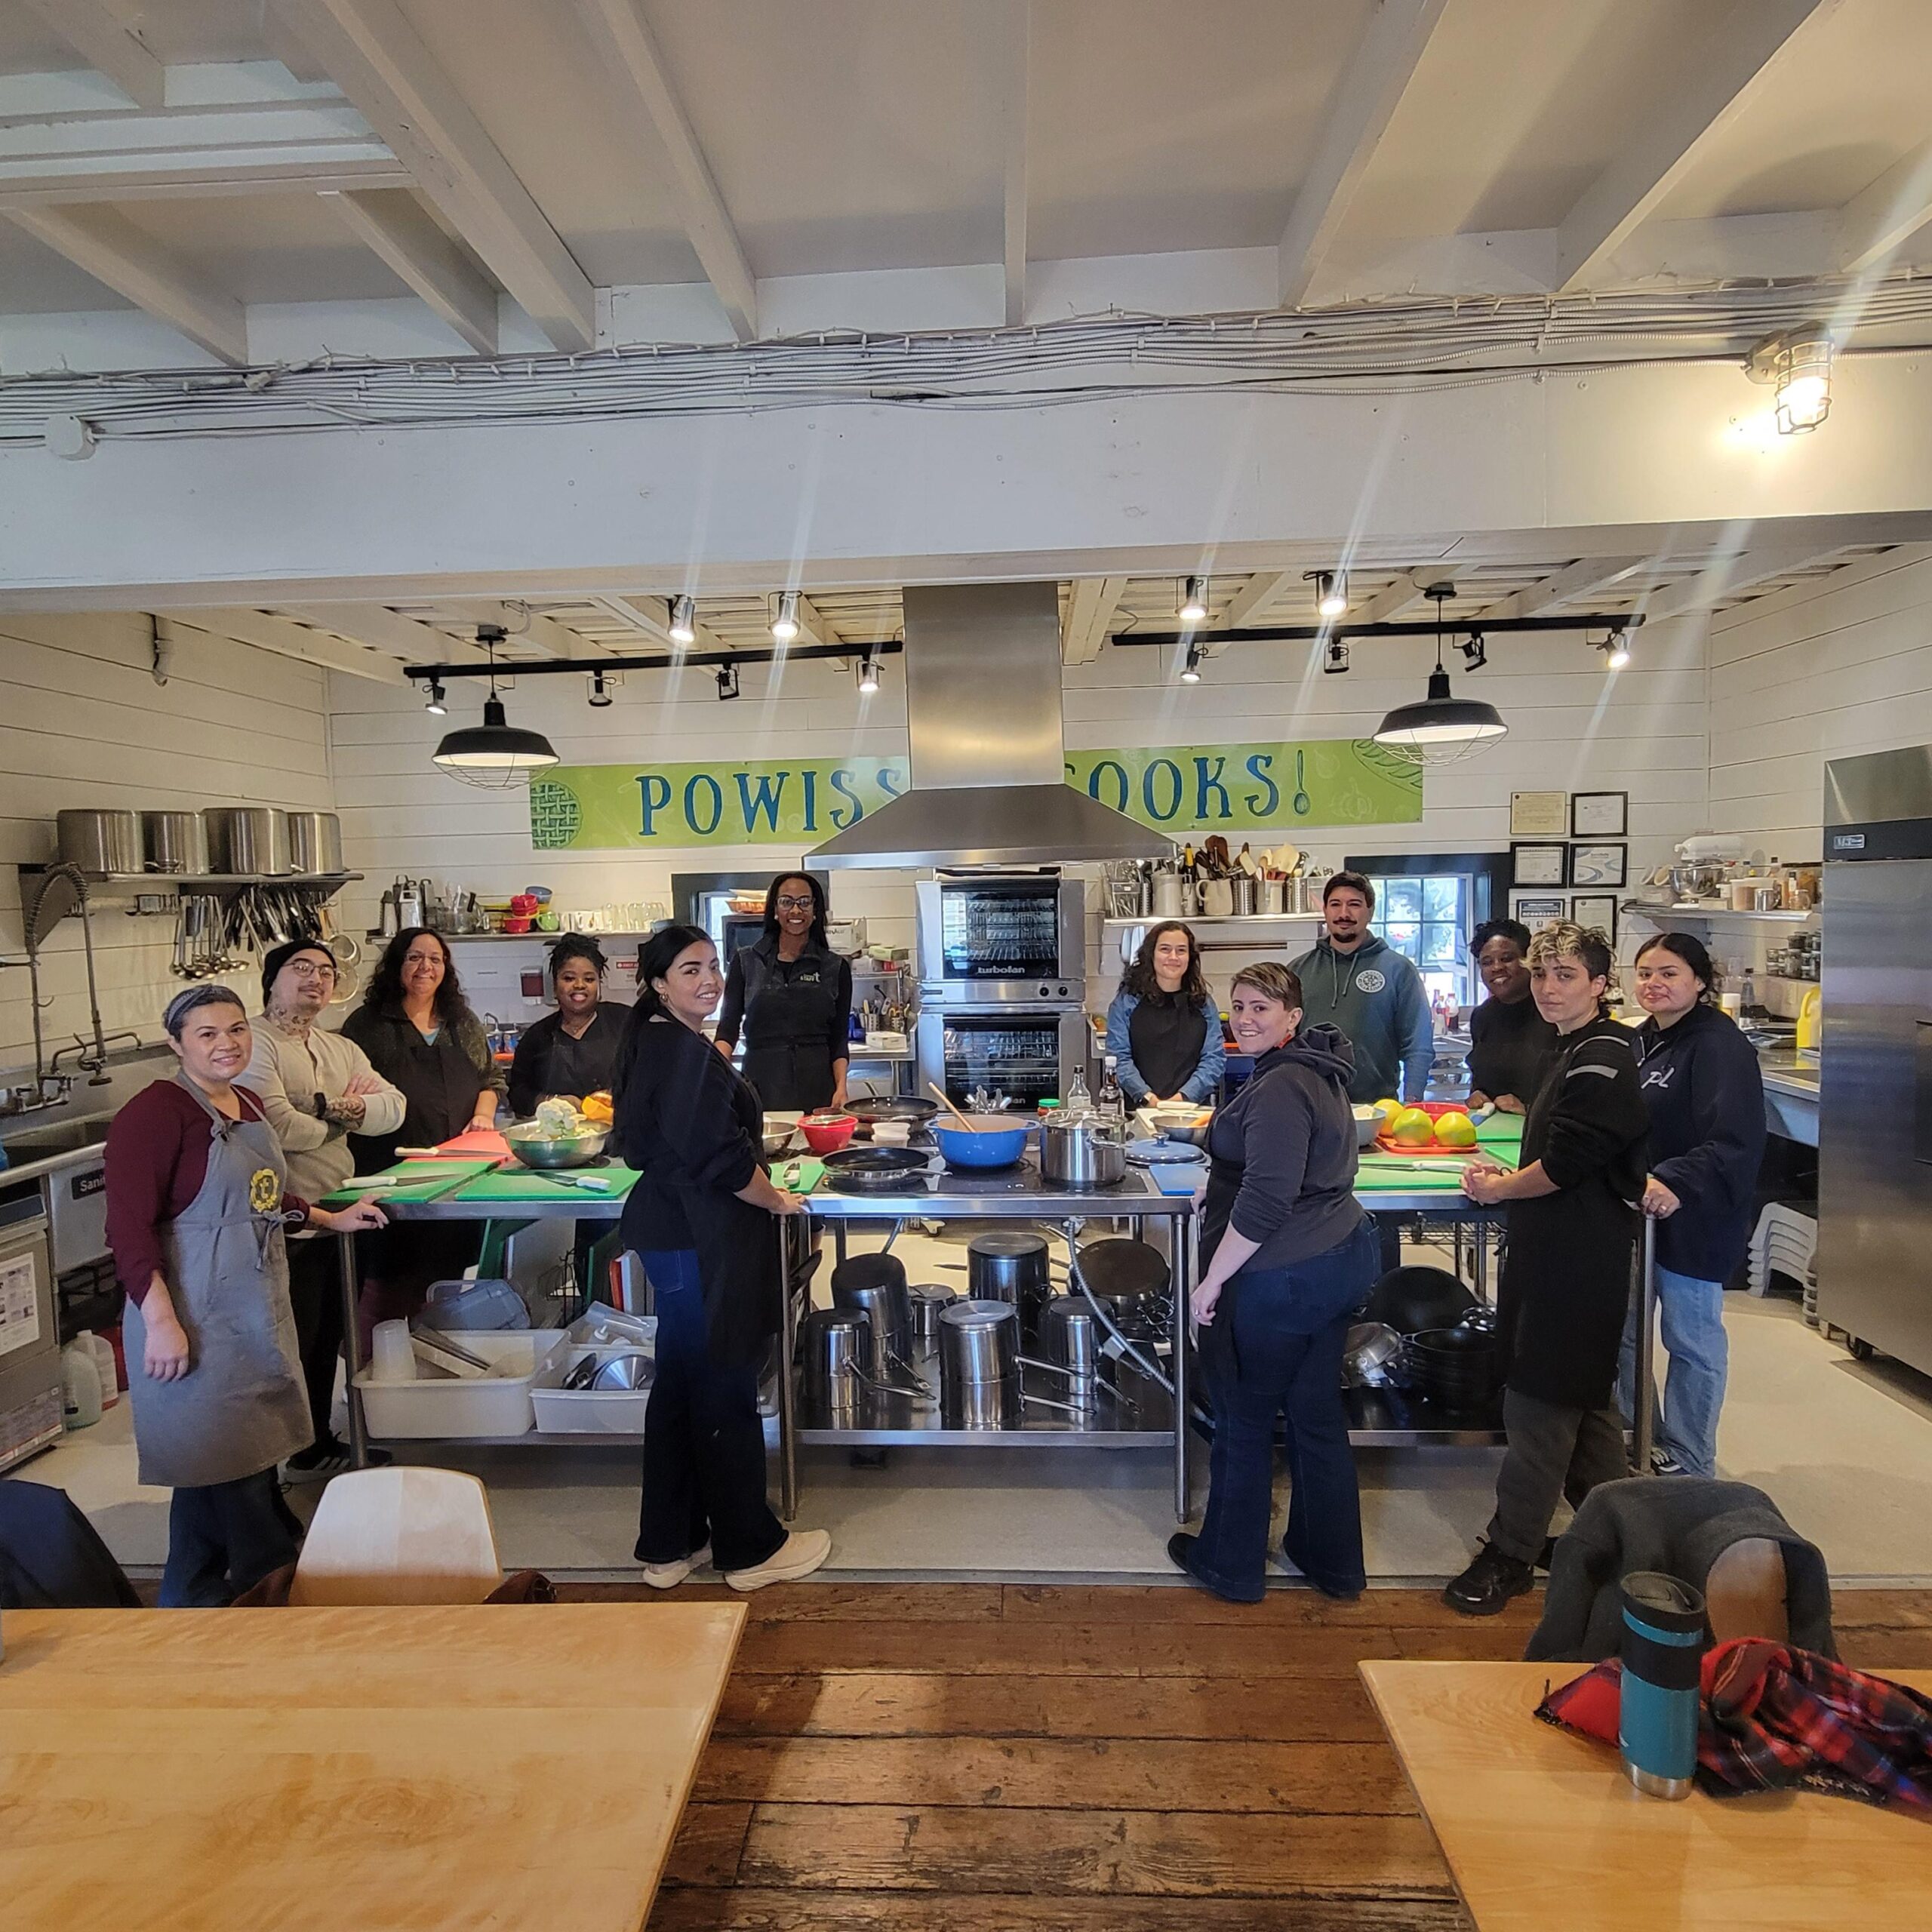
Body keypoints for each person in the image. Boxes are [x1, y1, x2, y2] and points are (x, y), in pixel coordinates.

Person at [105, 986, 386, 1606]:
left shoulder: (248, 1104)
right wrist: (161, 1322)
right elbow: (127, 1229)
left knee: (229, 1463)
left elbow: (260, 1195)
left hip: (253, 1302)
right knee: (225, 1461)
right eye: (207, 1034)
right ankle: (276, 1586)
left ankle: (191, 1599)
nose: (226, 1043)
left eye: (236, 1029)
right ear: (176, 1044)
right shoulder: (155, 1114)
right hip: (193, 1310)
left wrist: (322, 1215)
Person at [614, 924, 832, 1592]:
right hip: (699, 1234)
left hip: (674, 1231)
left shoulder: (658, 1039)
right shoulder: (678, 1051)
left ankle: (671, 1545)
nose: (707, 979)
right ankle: (747, 1549)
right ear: (658, 983)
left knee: (681, 1385)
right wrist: (775, 1202)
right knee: (723, 1384)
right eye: (689, 970)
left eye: (712, 966)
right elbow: (721, 1158)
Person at [1446, 923, 1649, 1616]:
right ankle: (1623, 1543)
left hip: (1577, 1253)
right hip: (1557, 1244)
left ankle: (1511, 1552)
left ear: (1600, 983)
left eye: (1565, 974)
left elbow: (1569, 1163)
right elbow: (1556, 1147)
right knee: (1588, 1404)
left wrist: (1502, 1188)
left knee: (1536, 1403)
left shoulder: (1603, 1053)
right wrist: (1511, 1175)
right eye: (1541, 975)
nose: (1548, 987)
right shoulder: (1571, 1045)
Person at [1171, 962, 1380, 1603]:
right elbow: (1285, 1165)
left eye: (1261, 1007)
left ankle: (1230, 1565)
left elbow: (1266, 1201)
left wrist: (1211, 1281)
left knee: (1244, 1416)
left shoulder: (1283, 1085)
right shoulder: (1316, 1069)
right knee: (1316, 1414)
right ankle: (1329, 1561)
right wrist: (1222, 1180)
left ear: (1292, 1016)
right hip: (1336, 1259)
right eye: (1237, 1005)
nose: (1246, 1017)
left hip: (1283, 1275)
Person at [238, 938, 405, 1479]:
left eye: (326, 972)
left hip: (340, 1213)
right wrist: (346, 1115)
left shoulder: (340, 1049)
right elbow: (276, 1126)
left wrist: (328, 1109)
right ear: (272, 980)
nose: (316, 979)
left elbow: (393, 1110)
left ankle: (313, 1443)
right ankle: (271, 1457)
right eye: (301, 968)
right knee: (288, 1342)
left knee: (329, 1334)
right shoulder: (254, 1043)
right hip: (282, 1220)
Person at [1619, 932, 1767, 1478]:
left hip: (1697, 1215)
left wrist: (1674, 1180)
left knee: (1691, 1339)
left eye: (1669, 973)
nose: (1654, 984)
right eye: (1646, 973)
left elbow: (1735, 1139)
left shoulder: (1720, 1046)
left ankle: (1689, 1457)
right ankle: (1642, 1438)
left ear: (1700, 982)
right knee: (1627, 1334)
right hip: (1640, 1212)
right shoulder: (1642, 1040)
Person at [341, 927, 506, 1338]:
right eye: (414, 957)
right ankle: (379, 1372)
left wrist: (483, 1118)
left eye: (435, 959)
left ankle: (439, 1358)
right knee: (388, 1283)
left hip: (458, 1171)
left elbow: (491, 1080)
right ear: (397, 965)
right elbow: (351, 1091)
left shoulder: (460, 1022)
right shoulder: (368, 1025)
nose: (425, 967)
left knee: (447, 1276)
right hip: (389, 1172)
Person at [1287, 872, 1435, 1106]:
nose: (1344, 914)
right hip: (1308, 1106)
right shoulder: (1297, 970)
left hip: (1378, 1107)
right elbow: (1281, 1041)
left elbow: (1418, 1043)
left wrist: (1413, 1100)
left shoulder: (1399, 970)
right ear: (1325, 910)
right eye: (1335, 904)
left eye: (1354, 905)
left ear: (1370, 911)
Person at [715, 873, 853, 1113]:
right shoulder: (746, 961)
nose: (796, 910)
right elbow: (728, 1030)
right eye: (787, 902)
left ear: (815, 910)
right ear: (775, 910)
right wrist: (712, 1077)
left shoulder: (835, 967)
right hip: (761, 1085)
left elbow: (839, 1038)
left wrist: (841, 1087)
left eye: (804, 902)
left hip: (818, 1088)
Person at [1103, 920, 1227, 1106]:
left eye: (1181, 950)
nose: (1173, 957)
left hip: (1190, 1112)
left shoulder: (1204, 1004)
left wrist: (1183, 1098)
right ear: (1151, 954)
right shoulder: (1127, 1002)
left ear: (1190, 957)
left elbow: (1214, 1059)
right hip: (1138, 1110)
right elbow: (1120, 1057)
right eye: (1165, 949)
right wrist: (1148, 1098)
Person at [508, 932, 627, 1116]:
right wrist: (551, 1102)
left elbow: (652, 1075)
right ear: (555, 986)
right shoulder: (536, 1037)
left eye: (589, 979)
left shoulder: (625, 1021)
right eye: (569, 978)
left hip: (618, 1136)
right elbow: (517, 1094)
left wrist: (616, 1096)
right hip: (556, 1138)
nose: (579, 985)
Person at [1463, 918, 1559, 1115]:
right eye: (1487, 962)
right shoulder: (1482, 1017)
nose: (1497, 967)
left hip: (1544, 1131)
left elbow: (1571, 1090)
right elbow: (1480, 1078)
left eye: (1507, 958)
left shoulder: (1554, 1011)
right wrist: (1477, 1095)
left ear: (1528, 961)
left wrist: (1527, 1109)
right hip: (1494, 1133)